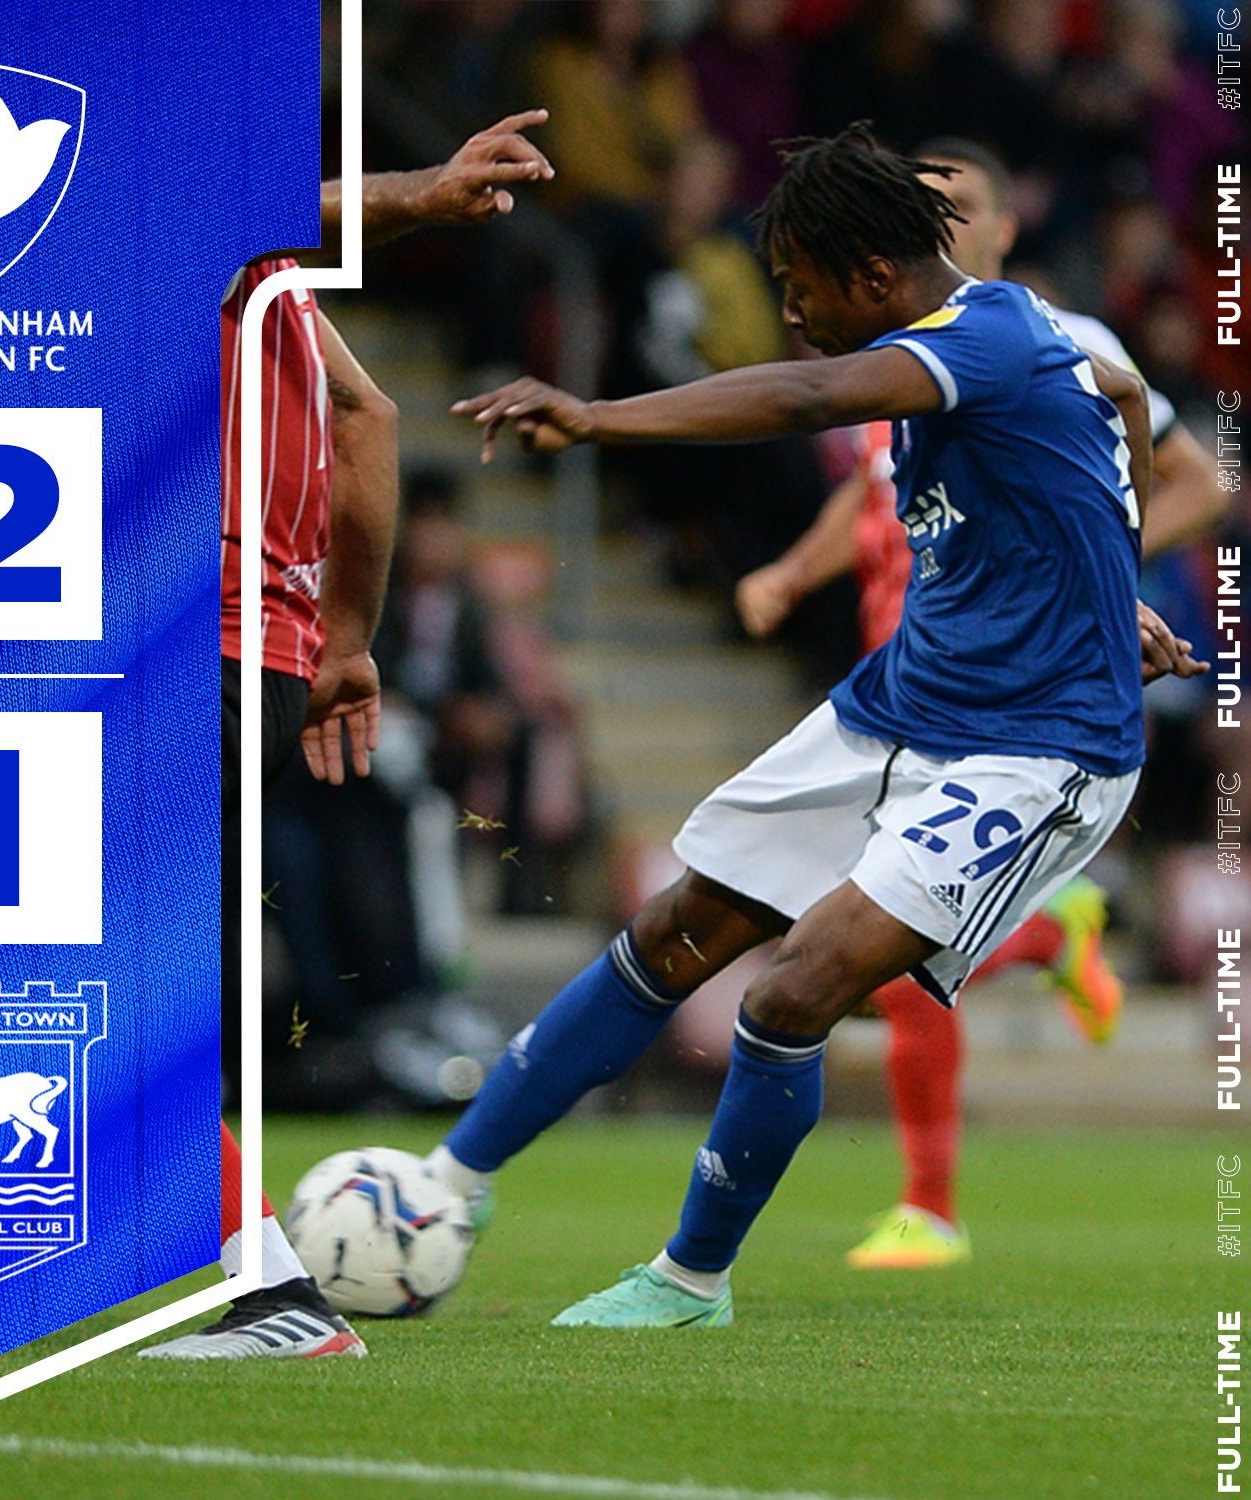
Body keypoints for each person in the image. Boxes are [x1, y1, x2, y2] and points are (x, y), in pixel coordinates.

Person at [429, 123, 1205, 1329]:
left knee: (794, 989)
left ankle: (689, 1280)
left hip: (1035, 748)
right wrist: (1105, 579)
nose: (790, 312)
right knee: (676, 930)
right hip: (899, 704)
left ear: (876, 277)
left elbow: (806, 395)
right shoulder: (1009, 343)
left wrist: (596, 416)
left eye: (801, 286)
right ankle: (446, 1185)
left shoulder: (980, 338)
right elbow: (1120, 399)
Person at [732, 137, 1224, 1269]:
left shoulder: (1063, 339)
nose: (935, 218)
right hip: (911, 680)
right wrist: (792, 575)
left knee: (872, 961)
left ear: (1003, 228)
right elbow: (873, 492)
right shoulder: (896, 344)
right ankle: (1050, 938)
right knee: (850, 960)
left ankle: (931, 1207)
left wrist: (1098, 582)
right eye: (920, 200)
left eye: (957, 203)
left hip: (1025, 697)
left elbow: (1198, 479)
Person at [141, 114, 554, 1360]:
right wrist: (346, 645)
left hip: (181, 649)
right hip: (265, 658)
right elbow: (368, 416)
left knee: (79, 972)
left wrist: (421, 194)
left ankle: (269, 1293)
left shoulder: (137, 235)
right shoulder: (271, 291)